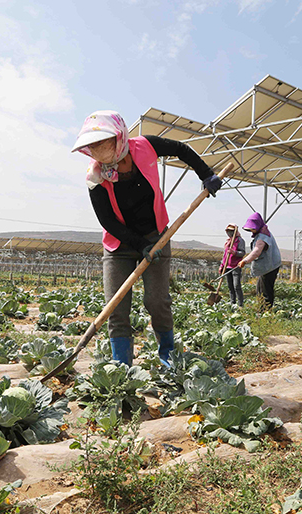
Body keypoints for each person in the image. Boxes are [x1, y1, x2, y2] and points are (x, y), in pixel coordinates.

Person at [71, 110, 221, 366]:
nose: (95, 150)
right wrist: (141, 245)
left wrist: (205, 174)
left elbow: (182, 150)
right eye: (90, 146)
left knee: (157, 301)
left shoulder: (145, 146)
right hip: (118, 245)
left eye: (100, 142)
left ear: (118, 137)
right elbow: (107, 222)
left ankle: (167, 355)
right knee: (116, 307)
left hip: (157, 235)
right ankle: (122, 366)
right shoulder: (95, 177)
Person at [237, 213, 282, 310]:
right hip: (269, 265)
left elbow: (256, 252)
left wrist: (245, 260)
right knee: (260, 288)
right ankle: (261, 308)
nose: (251, 230)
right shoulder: (264, 233)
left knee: (265, 289)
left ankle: (265, 310)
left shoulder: (262, 237)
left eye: (252, 228)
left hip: (270, 266)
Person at [220, 224, 246, 307]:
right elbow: (225, 255)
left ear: (234, 232)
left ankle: (240, 304)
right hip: (227, 266)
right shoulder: (228, 242)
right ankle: (232, 302)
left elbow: (242, 253)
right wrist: (222, 265)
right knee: (230, 285)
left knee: (236, 285)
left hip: (235, 266)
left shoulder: (240, 241)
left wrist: (234, 252)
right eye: (228, 231)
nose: (229, 233)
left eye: (231, 231)